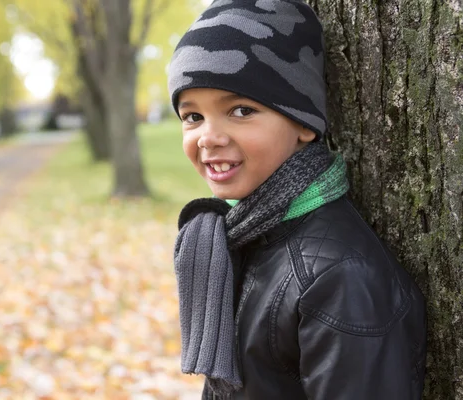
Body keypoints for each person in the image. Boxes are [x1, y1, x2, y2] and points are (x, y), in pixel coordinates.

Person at [168, 1, 427, 399]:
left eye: (240, 110)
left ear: (304, 124)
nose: (208, 137)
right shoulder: (247, 233)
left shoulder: (341, 279)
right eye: (193, 116)